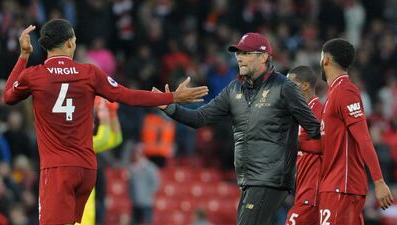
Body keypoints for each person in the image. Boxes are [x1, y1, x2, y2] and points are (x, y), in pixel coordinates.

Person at [2, 19, 208, 225]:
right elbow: (127, 96)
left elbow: (8, 97)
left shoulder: (33, 75)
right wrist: (171, 97)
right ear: (70, 44)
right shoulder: (90, 73)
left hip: (58, 168)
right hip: (87, 169)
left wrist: (23, 56)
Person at [154, 32, 321, 225]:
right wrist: (169, 106)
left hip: (271, 178)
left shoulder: (285, 87)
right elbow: (200, 118)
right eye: (238, 53)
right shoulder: (233, 90)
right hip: (248, 179)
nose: (239, 58)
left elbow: (314, 129)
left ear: (264, 57)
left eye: (246, 53)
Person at [319, 38, 394, 225]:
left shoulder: (345, 91)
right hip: (334, 185)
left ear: (326, 59)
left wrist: (378, 181)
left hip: (342, 185)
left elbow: (364, 138)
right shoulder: (333, 94)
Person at [284, 66, 323, 225]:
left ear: (305, 85)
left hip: (313, 193)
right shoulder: (296, 114)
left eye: (289, 84)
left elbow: (328, 147)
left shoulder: (320, 112)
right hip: (301, 190)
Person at [76, 97, 123, 225]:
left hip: (86, 210)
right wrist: (104, 115)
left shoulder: (87, 143)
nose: (92, 126)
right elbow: (103, 139)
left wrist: (112, 113)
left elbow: (116, 139)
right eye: (89, 122)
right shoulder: (78, 144)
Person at [127, 144, 160, 225]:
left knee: (147, 221)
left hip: (146, 202)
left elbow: (155, 183)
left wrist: (147, 194)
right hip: (136, 201)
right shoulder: (132, 168)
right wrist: (132, 195)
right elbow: (130, 185)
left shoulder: (150, 167)